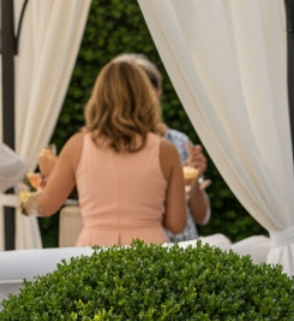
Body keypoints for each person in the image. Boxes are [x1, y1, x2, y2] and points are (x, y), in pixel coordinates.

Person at [32, 59, 186, 246]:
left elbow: (45, 207)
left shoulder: (77, 145)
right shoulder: (166, 151)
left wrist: (50, 175)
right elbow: (176, 224)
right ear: (146, 98)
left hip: (94, 250)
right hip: (149, 251)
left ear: (98, 97)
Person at [116, 53, 209, 243]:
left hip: (184, 248)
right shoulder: (110, 145)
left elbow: (202, 217)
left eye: (141, 87)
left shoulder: (179, 141)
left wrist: (193, 184)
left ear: (157, 91)